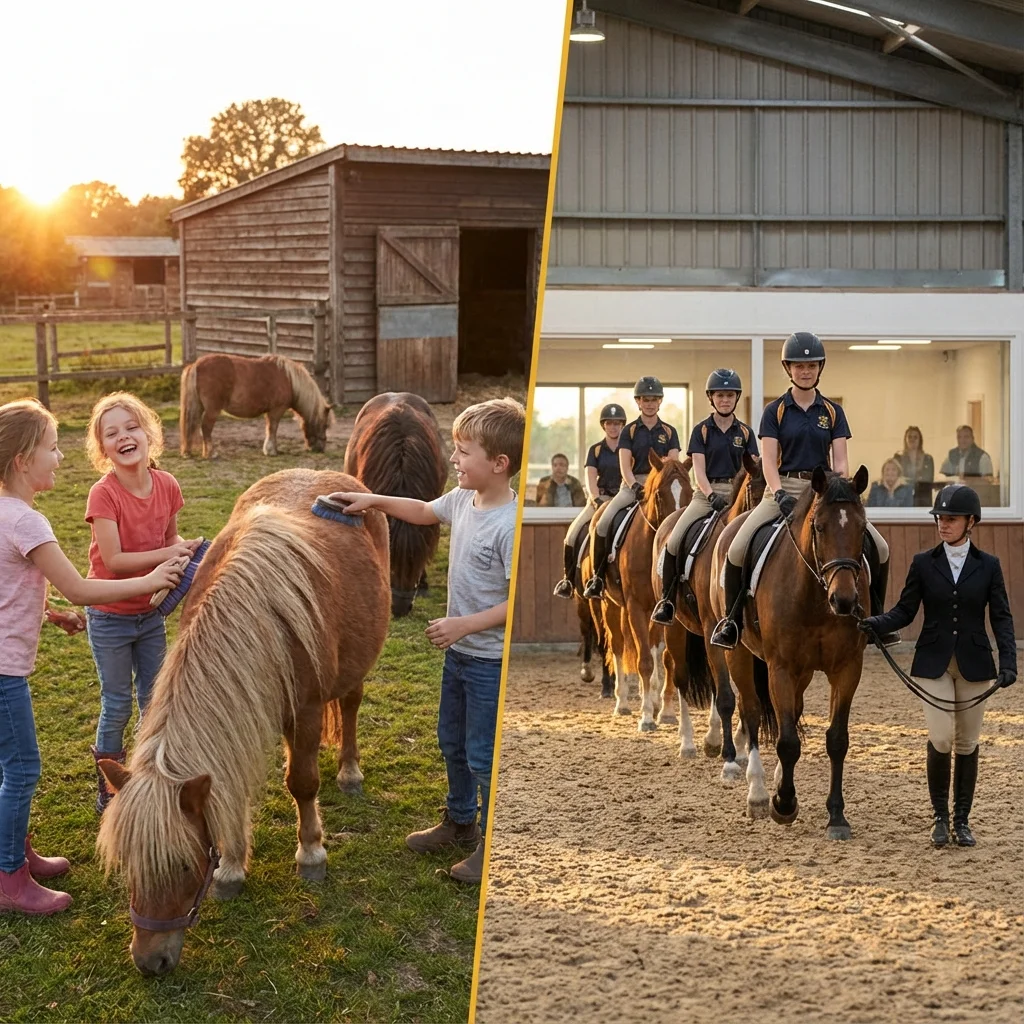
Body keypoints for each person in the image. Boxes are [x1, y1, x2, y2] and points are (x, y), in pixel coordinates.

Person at [328, 397, 524, 884]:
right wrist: (372, 501)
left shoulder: (508, 526)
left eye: (462, 452)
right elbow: (419, 509)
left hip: (488, 660)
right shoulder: (462, 501)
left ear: (498, 464)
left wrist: (463, 624)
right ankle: (459, 821)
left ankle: (490, 846)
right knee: (451, 743)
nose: (452, 460)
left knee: (482, 754)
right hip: (458, 657)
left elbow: (516, 605)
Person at [0, 399, 183, 916]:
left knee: (8, 767)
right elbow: (83, 587)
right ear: (22, 460)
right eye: (53, 449)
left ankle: (14, 851)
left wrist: (48, 612)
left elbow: (10, 587)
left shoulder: (5, 513)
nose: (59, 458)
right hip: (5, 672)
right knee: (21, 770)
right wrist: (151, 579)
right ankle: (9, 877)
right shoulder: (28, 523)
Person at [709, 332, 898, 649]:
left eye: (811, 365)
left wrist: (839, 492)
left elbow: (840, 460)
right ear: (788, 369)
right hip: (783, 486)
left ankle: (876, 619)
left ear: (819, 368)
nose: (805, 371)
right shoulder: (775, 411)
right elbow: (768, 460)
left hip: (824, 491)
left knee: (879, 548)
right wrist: (779, 492)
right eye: (799, 366)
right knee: (736, 546)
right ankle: (730, 622)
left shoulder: (833, 412)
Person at [859, 485, 1016, 848]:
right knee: (942, 737)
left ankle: (962, 820)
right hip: (934, 663)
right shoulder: (923, 563)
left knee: (967, 742)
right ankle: (940, 818)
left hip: (976, 664)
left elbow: (1003, 619)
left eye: (951, 519)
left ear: (971, 522)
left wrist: (1009, 662)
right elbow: (905, 610)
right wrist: (875, 623)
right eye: (940, 519)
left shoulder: (989, 566)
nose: (943, 525)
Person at [83, 393, 203, 814]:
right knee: (116, 702)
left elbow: (169, 539)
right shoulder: (104, 495)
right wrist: (166, 557)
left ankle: (149, 776)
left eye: (131, 427)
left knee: (154, 701)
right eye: (111, 433)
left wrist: (183, 550)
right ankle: (109, 786)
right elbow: (114, 561)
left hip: (150, 615)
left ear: (149, 433)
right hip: (110, 617)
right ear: (103, 449)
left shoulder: (168, 484)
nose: (124, 437)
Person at [651, 369, 758, 624]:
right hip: (705, 495)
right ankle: (667, 600)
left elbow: (752, 467)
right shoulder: (702, 431)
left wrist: (737, 495)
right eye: (720, 395)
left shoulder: (745, 432)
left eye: (730, 395)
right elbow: (698, 470)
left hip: (737, 495)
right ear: (711, 398)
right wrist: (710, 496)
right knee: (674, 541)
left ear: (736, 398)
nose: (725, 400)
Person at [582, 377, 680, 599]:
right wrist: (634, 485)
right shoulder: (629, 431)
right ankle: (597, 577)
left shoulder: (669, 431)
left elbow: (673, 464)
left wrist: (660, 481)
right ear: (638, 401)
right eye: (646, 399)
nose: (650, 404)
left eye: (654, 399)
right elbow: (624, 464)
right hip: (633, 484)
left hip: (660, 486)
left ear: (660, 401)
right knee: (603, 521)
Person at [552, 403, 627, 599]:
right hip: (600, 499)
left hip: (623, 498)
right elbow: (590, 477)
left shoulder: (628, 449)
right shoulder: (596, 450)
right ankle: (568, 579)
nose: (613, 427)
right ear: (604, 425)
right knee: (572, 534)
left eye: (617, 423)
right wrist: (595, 499)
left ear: (622, 425)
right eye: (610, 423)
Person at [895, 425, 934, 505]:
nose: (912, 439)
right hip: (903, 498)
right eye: (909, 437)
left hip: (923, 499)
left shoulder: (928, 459)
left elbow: (928, 480)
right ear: (905, 439)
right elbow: (897, 479)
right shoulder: (898, 457)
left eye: (915, 437)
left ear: (920, 440)